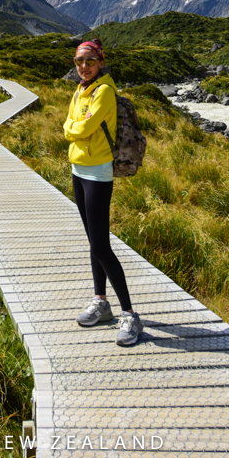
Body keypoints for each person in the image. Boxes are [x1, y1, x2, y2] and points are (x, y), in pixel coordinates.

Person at [63, 38, 143, 347]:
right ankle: (101, 301)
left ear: (100, 62)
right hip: (78, 170)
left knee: (101, 246)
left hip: (97, 172)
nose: (84, 67)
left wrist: (74, 128)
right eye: (79, 62)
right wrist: (75, 127)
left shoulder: (105, 91)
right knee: (94, 242)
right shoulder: (80, 90)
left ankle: (130, 314)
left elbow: (80, 129)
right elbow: (71, 124)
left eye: (90, 61)